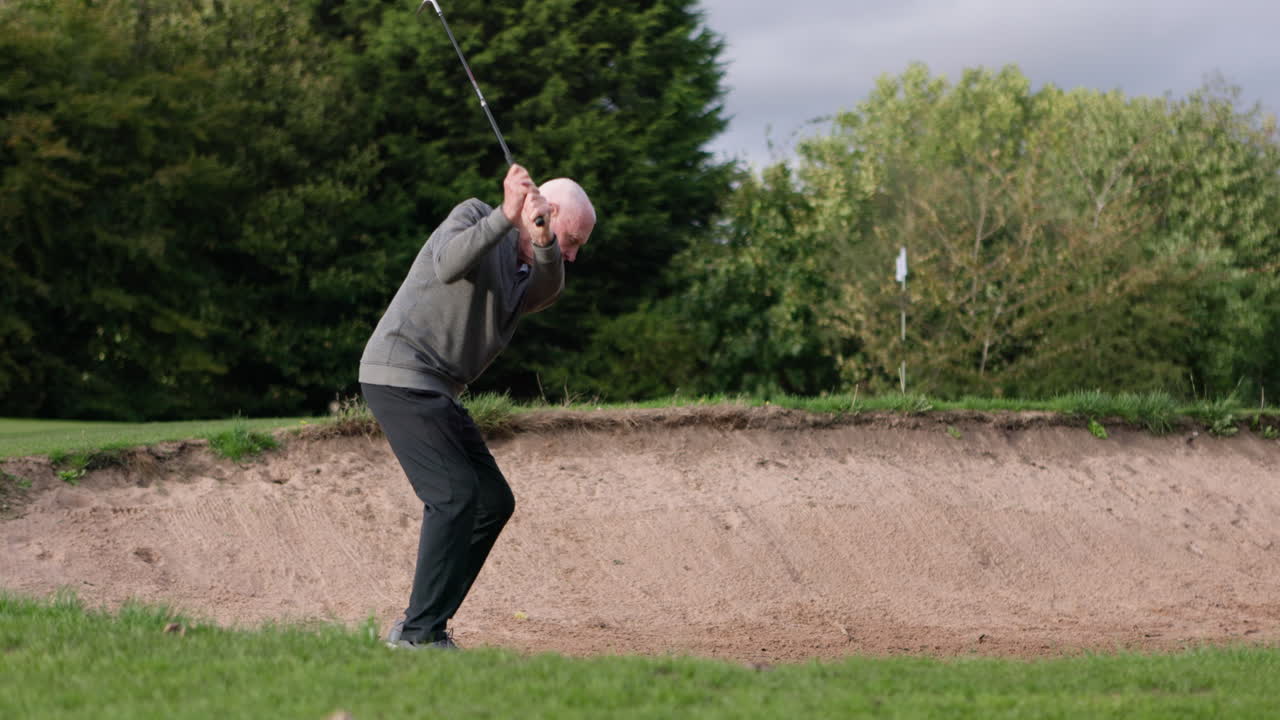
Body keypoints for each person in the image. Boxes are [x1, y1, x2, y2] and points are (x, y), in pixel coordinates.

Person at [359, 164, 596, 649]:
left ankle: (420, 624)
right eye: (570, 241)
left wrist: (547, 243)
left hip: (438, 389)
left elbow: (548, 292)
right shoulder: (473, 215)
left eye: (572, 246)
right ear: (542, 212)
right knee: (454, 497)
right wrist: (506, 215)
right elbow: (448, 263)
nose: (569, 254)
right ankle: (421, 636)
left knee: (492, 501)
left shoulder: (528, 268)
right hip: (400, 373)